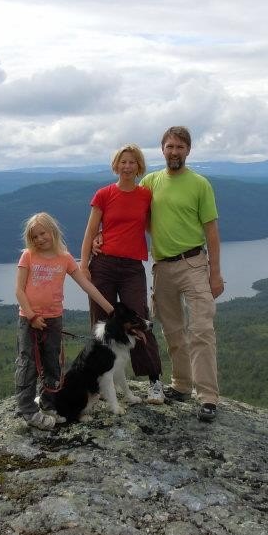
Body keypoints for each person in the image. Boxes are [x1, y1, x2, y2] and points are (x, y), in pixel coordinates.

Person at [140, 126, 225, 422]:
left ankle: (208, 397)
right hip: (162, 267)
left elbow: (212, 232)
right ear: (161, 149)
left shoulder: (200, 184)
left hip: (193, 263)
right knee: (173, 331)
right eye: (169, 146)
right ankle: (181, 385)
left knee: (201, 330)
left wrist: (215, 274)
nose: (174, 152)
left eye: (180, 147)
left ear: (188, 150)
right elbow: (135, 217)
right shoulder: (150, 181)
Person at [79, 144, 165, 405]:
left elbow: (154, 225)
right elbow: (91, 230)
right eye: (123, 162)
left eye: (132, 163)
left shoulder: (145, 195)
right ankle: (98, 382)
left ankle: (154, 383)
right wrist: (84, 266)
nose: (127, 167)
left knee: (140, 319)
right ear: (116, 166)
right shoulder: (104, 194)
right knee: (102, 324)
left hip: (131, 268)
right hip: (102, 264)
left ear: (139, 167)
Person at [14, 212, 114, 430]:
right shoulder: (28, 256)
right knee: (28, 362)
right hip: (29, 319)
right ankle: (28, 410)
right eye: (35, 236)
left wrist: (110, 309)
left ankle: (49, 404)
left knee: (53, 363)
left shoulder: (65, 258)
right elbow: (19, 291)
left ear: (53, 231)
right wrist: (31, 316)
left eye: (43, 233)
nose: (40, 239)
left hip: (53, 320)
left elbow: (86, 285)